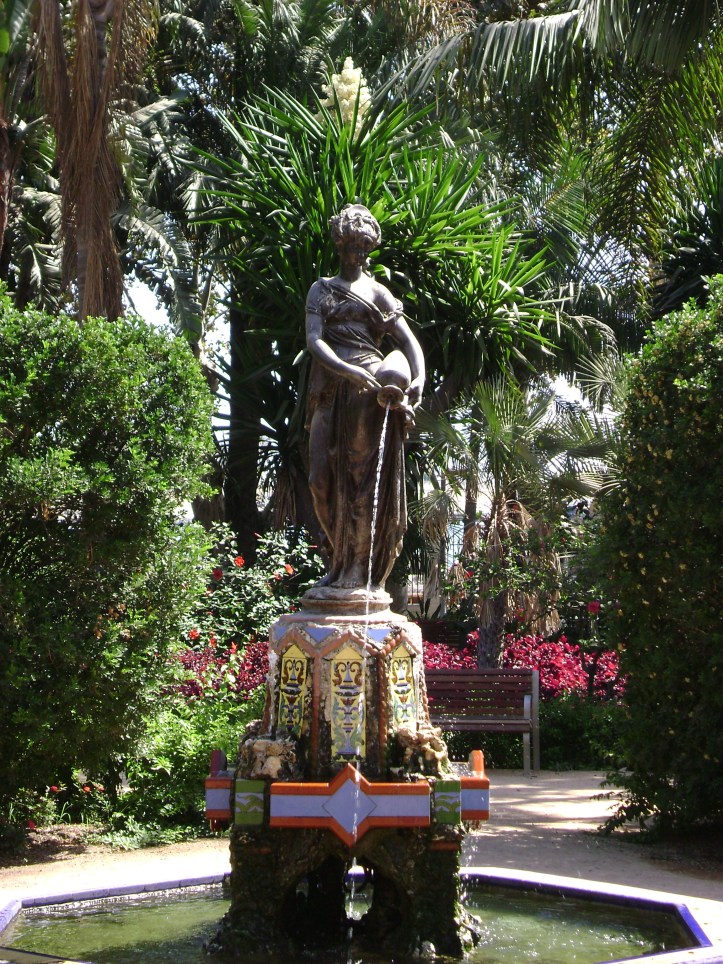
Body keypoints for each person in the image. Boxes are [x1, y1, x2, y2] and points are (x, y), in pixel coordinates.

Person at [305, 204, 425, 590]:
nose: (357, 254)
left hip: (369, 391)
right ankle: (337, 559)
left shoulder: (378, 293)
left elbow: (408, 342)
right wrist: (347, 369)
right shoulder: (321, 289)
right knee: (319, 479)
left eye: (363, 247)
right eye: (351, 246)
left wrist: (418, 377)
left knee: (360, 480)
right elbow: (314, 340)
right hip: (329, 389)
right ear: (340, 245)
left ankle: (356, 569)